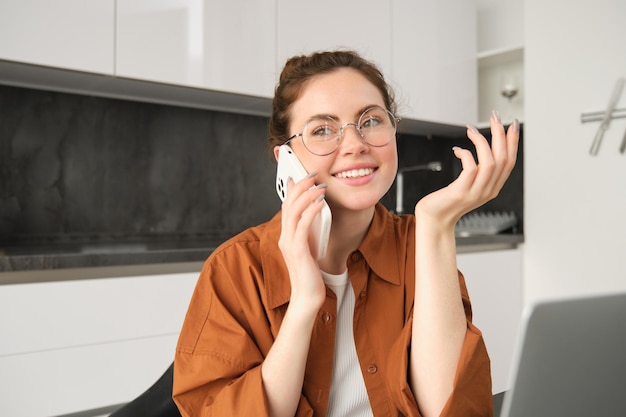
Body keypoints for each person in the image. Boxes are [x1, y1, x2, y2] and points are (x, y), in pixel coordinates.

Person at [172, 50, 519, 417]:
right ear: (286, 158)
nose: (355, 144)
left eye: (371, 121)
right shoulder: (235, 268)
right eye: (322, 129)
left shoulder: (419, 246)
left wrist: (435, 225)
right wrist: (305, 302)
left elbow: (449, 410)